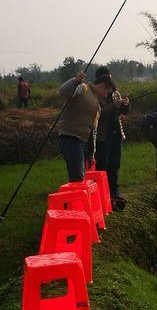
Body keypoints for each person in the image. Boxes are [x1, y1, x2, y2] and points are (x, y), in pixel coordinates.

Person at [57, 70, 116, 182]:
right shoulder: (82, 88)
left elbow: (93, 131)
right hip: (71, 139)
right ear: (103, 86)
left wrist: (92, 153)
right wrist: (75, 81)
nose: (106, 96)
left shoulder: (97, 105)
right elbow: (64, 92)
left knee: (81, 178)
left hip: (82, 143)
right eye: (107, 92)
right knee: (78, 178)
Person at [94, 66, 130, 209]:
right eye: (106, 78)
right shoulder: (95, 95)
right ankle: (103, 198)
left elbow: (124, 112)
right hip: (103, 138)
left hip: (116, 136)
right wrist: (113, 106)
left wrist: (125, 104)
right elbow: (98, 114)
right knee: (103, 168)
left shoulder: (115, 94)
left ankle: (114, 195)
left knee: (114, 167)